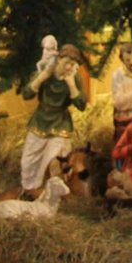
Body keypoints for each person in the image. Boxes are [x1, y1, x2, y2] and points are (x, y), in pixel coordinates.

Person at [20, 43, 89, 194]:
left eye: (74, 64)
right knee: (28, 162)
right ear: (59, 60)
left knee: (53, 160)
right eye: (67, 63)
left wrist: (71, 85)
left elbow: (82, 104)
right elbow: (26, 94)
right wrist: (42, 78)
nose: (70, 67)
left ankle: (52, 195)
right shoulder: (45, 71)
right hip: (40, 120)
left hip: (60, 123)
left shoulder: (74, 77)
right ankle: (30, 192)